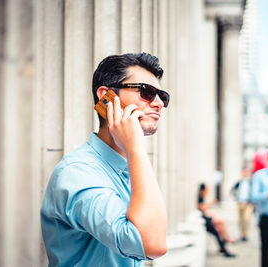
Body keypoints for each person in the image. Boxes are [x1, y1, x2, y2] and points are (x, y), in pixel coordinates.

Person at [41, 53, 169, 267]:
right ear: (106, 97)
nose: (158, 103)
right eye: (147, 92)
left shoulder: (128, 168)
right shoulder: (77, 173)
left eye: (162, 96)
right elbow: (152, 245)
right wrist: (136, 148)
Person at [197, 183, 236, 257]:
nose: (207, 192)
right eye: (206, 190)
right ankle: (226, 240)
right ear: (203, 190)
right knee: (218, 230)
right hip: (204, 220)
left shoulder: (201, 197)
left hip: (204, 218)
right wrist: (211, 204)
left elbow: (203, 210)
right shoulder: (200, 198)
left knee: (220, 226)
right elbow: (202, 208)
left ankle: (225, 241)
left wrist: (210, 214)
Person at [236, 167, 254, 242]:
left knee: (246, 219)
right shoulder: (239, 182)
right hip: (240, 202)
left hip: (247, 203)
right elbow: (233, 190)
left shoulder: (250, 182)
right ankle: (242, 234)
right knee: (240, 219)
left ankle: (245, 234)